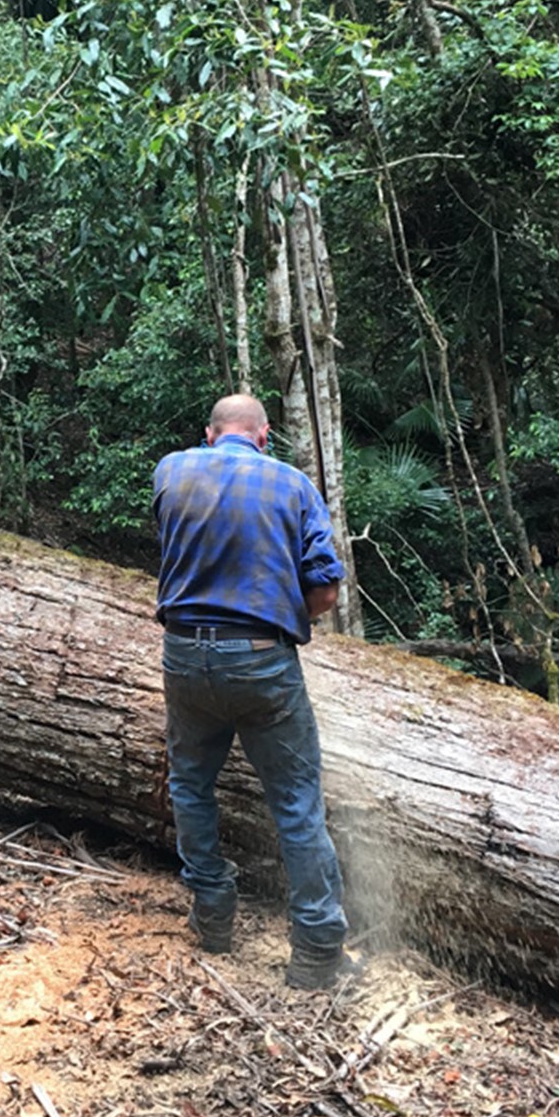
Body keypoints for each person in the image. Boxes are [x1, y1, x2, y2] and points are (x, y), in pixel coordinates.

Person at [152, 392, 356, 989]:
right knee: (295, 802)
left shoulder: (172, 471)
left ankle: (213, 914)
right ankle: (317, 950)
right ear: (264, 436)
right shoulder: (291, 485)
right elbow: (324, 593)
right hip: (263, 661)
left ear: (209, 435)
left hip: (184, 654)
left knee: (190, 785)